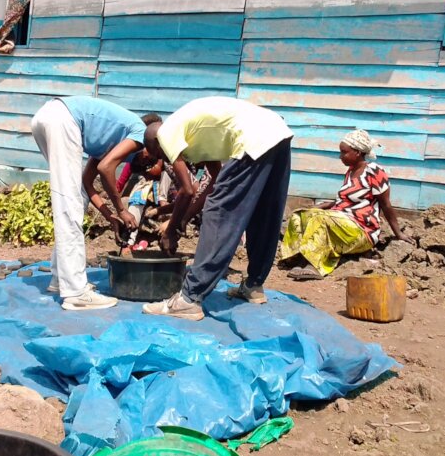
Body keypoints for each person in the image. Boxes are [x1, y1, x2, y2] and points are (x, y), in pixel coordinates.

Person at [140, 97, 293, 321]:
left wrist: (171, 231)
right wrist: (185, 218)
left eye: (159, 155)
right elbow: (214, 177)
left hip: (254, 138)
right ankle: (253, 284)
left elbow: (187, 191)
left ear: (156, 142)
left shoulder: (166, 133)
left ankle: (189, 299)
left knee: (219, 211)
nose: (165, 160)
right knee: (264, 212)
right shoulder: (191, 134)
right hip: (277, 132)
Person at [30, 98, 154, 311]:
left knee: (72, 198)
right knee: (69, 206)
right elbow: (106, 169)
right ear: (150, 146)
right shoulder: (140, 135)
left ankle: (61, 279)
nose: (147, 166)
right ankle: (76, 293)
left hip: (47, 117)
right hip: (63, 119)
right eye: (150, 160)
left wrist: (110, 216)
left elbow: (86, 183)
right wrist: (122, 210)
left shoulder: (116, 139)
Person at [282, 129, 411, 280]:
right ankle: (297, 257)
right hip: (341, 222)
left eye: (344, 152)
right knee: (301, 214)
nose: (340, 156)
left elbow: (386, 205)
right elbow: (345, 201)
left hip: (361, 230)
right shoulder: (350, 172)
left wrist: (398, 233)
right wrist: (322, 206)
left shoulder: (374, 172)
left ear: (357, 152)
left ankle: (315, 265)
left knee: (321, 219)